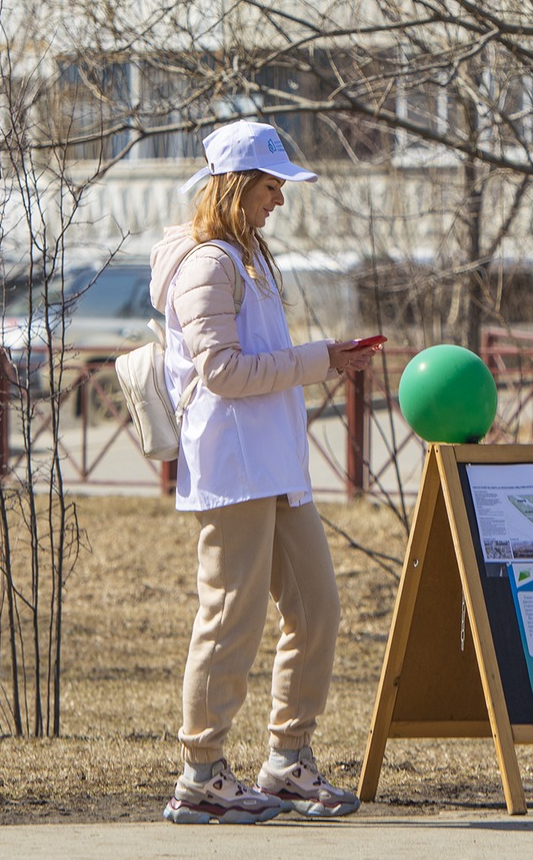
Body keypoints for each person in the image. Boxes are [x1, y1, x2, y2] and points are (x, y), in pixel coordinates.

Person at [149, 120, 378, 824]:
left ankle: (286, 760)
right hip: (234, 465)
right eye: (272, 186)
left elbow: (249, 363)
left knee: (316, 611)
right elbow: (220, 371)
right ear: (238, 188)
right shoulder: (208, 263)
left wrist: (319, 360)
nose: (280, 199)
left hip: (274, 464)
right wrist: (319, 361)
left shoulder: (248, 256)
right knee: (231, 617)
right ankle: (201, 772)